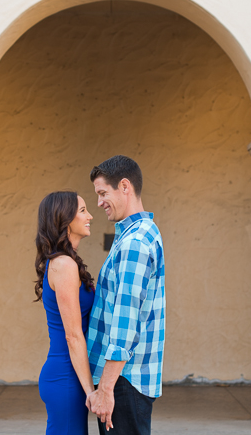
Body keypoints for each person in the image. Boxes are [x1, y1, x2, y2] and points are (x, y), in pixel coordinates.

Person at [85, 155, 166, 435]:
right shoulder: (143, 233)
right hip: (127, 379)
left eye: (103, 193)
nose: (99, 202)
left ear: (124, 186)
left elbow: (125, 322)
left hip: (123, 381)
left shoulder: (133, 243)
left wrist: (106, 389)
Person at [36, 191, 97, 435]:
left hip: (68, 375)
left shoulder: (64, 262)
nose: (90, 216)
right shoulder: (64, 265)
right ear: (64, 219)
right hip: (66, 378)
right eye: (83, 210)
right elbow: (73, 335)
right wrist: (91, 390)